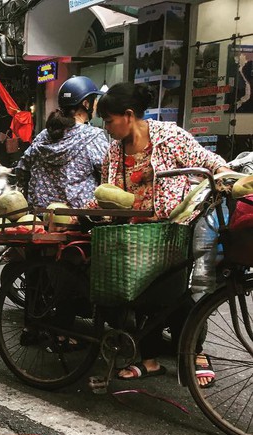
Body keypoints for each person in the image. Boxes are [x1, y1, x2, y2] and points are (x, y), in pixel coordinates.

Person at [96, 82, 230, 386]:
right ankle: (150, 359)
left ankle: (196, 353)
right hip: (133, 234)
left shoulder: (170, 137)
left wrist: (225, 179)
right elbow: (109, 193)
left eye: (108, 120)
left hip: (173, 231)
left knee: (174, 295)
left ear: (128, 115)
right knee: (141, 296)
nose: (106, 128)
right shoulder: (114, 152)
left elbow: (210, 163)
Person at [16, 76, 108, 210]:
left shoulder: (44, 135)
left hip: (41, 217)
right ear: (86, 104)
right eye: (94, 101)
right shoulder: (93, 136)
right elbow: (109, 173)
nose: (96, 105)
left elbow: (22, 169)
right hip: (79, 219)